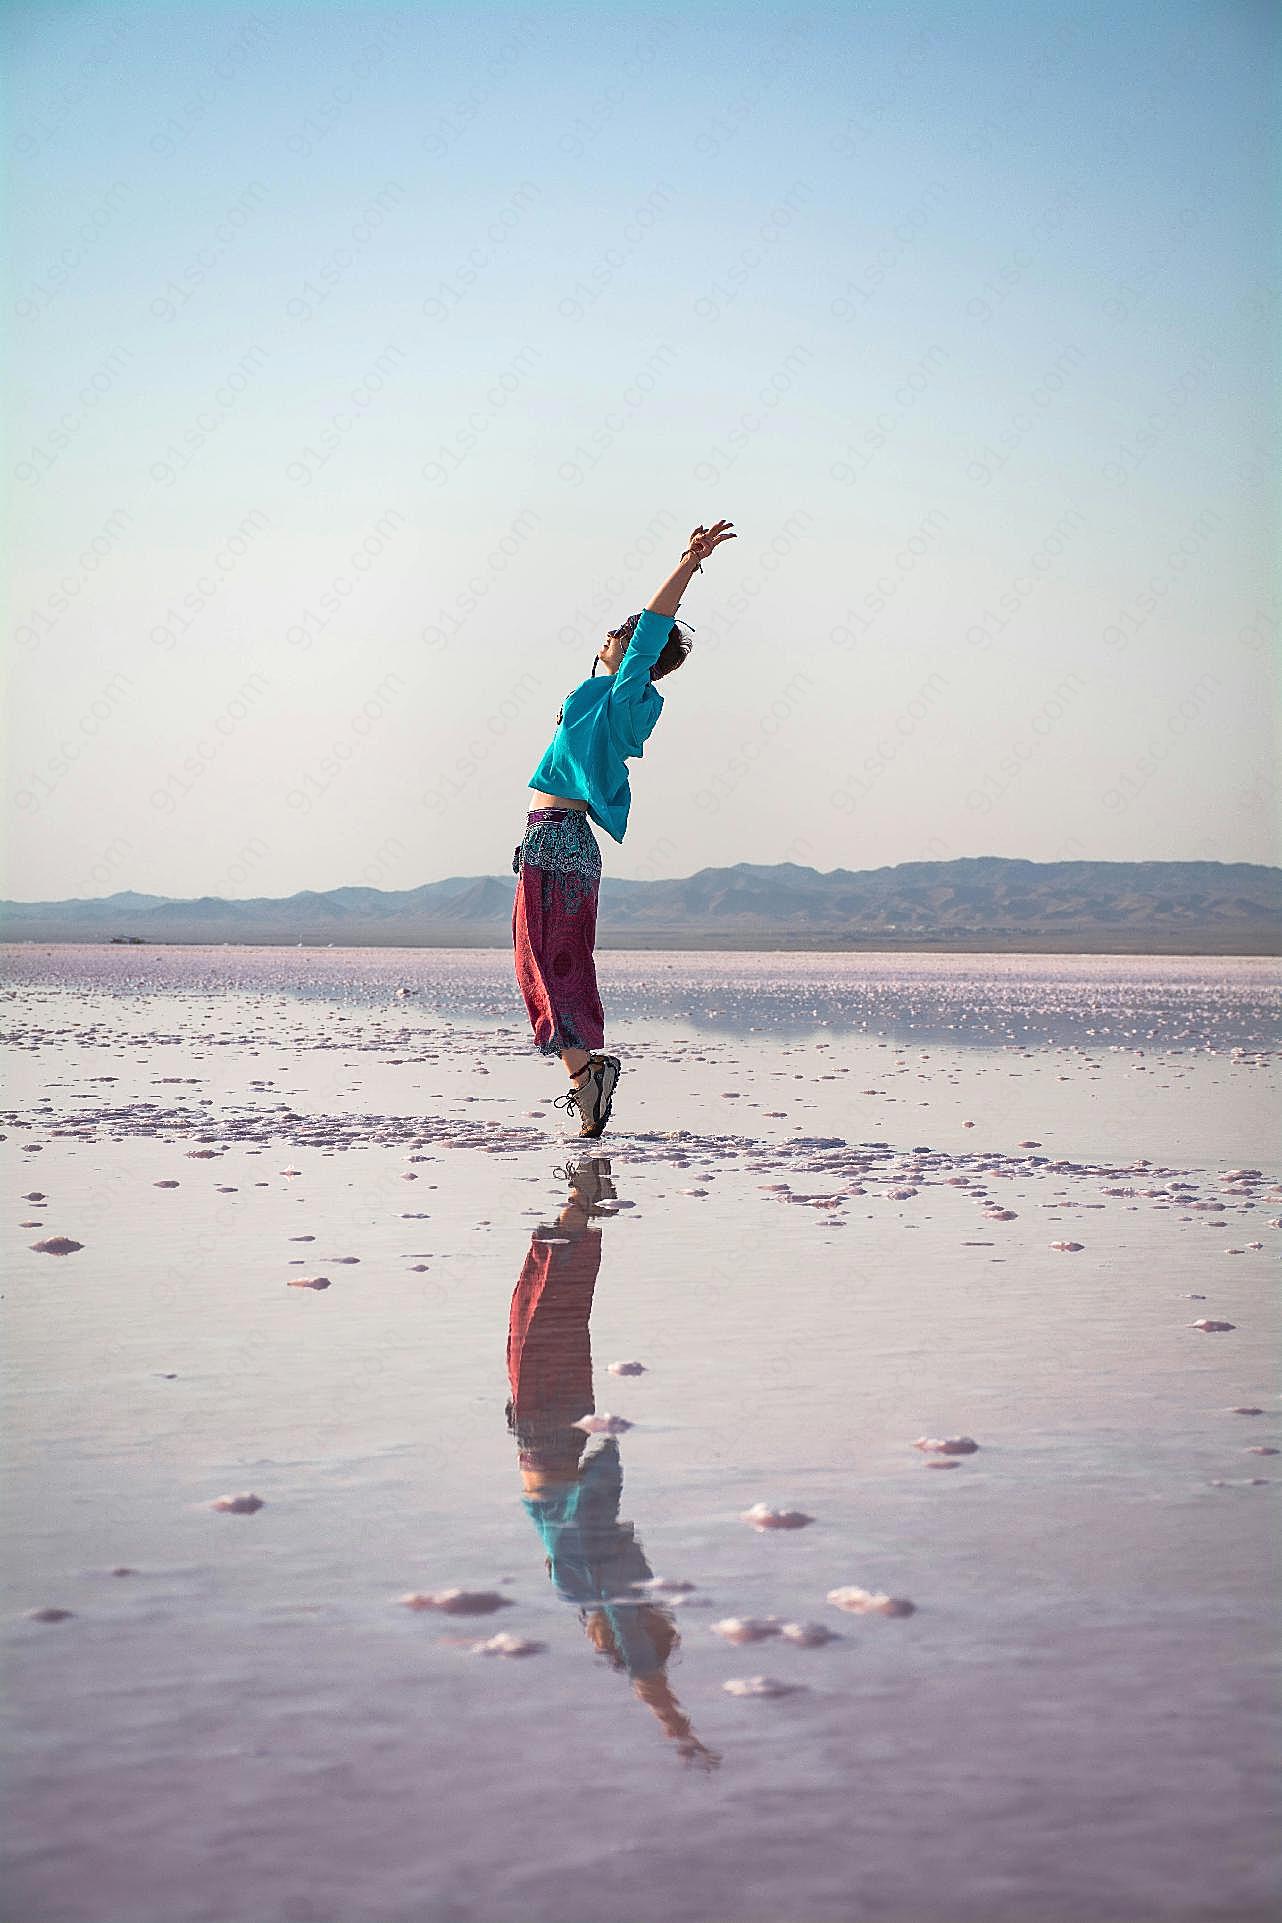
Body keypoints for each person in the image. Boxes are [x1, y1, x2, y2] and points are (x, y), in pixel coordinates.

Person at [512, 518, 736, 1137]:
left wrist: (688, 563)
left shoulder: (623, 697)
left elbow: (650, 629)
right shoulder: (606, 694)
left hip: (558, 839)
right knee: (546, 962)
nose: (609, 638)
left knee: (550, 964)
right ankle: (586, 1079)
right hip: (554, 840)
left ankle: (588, 1078)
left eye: (620, 636)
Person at [506, 1157, 721, 1769]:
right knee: (543, 1318)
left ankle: (582, 1206)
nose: (603, 1645)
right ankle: (581, 1204)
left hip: (552, 1434)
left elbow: (638, 1660)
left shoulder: (592, 1595)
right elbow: (645, 1671)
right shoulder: (615, 1595)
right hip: (549, 1438)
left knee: (541, 1318)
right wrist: (677, 1730)